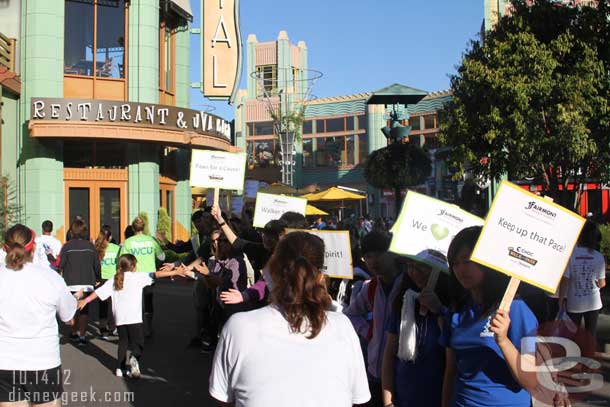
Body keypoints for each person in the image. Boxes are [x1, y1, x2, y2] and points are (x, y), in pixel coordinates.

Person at [209, 232, 371, 406]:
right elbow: (358, 399)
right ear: (320, 277)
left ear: (272, 271)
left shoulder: (239, 327)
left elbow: (223, 399)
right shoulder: (343, 326)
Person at [441, 226, 538, 407]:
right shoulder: (456, 310)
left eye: (467, 260)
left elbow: (532, 382)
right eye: (455, 263)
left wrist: (503, 341)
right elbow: (450, 372)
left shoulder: (516, 309)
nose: (461, 269)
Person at [0, 224, 78, 405]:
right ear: (33, 248)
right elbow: (68, 317)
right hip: (43, 362)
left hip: (5, 362)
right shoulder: (51, 278)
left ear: (5, 248)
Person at [77, 254, 185, 377]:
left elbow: (98, 292)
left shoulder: (114, 279)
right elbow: (156, 274)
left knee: (123, 342)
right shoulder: (138, 277)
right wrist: (175, 272)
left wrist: (85, 301)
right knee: (138, 342)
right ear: (133, 266)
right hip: (134, 317)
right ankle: (134, 357)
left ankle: (120, 368)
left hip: (120, 318)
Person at [381, 250, 449, 407]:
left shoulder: (453, 308)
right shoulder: (402, 302)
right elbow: (389, 354)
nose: (414, 272)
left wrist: (439, 310)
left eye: (422, 267)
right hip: (402, 398)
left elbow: (453, 359)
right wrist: (388, 402)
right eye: (410, 266)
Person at [344, 231, 404, 407]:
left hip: (399, 373)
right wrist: (368, 331)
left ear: (392, 254)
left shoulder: (408, 286)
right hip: (373, 370)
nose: (373, 261)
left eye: (378, 253)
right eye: (368, 256)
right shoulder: (371, 287)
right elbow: (351, 314)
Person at [182, 229, 248, 351]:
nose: (219, 243)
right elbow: (212, 283)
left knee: (232, 340)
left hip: (233, 305)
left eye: (223, 240)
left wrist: (207, 274)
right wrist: (194, 274)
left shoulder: (237, 261)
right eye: (217, 241)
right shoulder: (219, 260)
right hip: (220, 303)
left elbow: (225, 282)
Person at [119, 216, 165, 336]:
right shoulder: (151, 240)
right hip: (150, 276)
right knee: (149, 302)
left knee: (136, 303)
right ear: (143, 227)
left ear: (133, 228)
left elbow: (122, 260)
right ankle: (148, 328)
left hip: (134, 276)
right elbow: (162, 257)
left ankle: (137, 329)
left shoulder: (128, 242)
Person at [560, 220, 606, 338]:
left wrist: (561, 301)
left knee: (572, 336)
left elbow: (565, 280)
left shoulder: (571, 255)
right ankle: (589, 355)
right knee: (591, 335)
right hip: (593, 302)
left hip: (574, 303)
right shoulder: (598, 256)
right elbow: (602, 283)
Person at [58, 218, 101, 345]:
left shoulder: (67, 246)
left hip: (70, 282)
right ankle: (82, 335)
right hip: (87, 282)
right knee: (84, 310)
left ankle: (73, 331)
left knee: (72, 307)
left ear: (72, 231)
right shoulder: (90, 246)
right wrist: (98, 279)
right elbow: (97, 265)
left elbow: (61, 264)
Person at [95, 225, 121, 339]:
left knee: (102, 305)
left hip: (101, 279)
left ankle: (103, 330)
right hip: (112, 278)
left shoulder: (97, 248)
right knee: (113, 304)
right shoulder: (117, 248)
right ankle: (112, 327)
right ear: (110, 237)